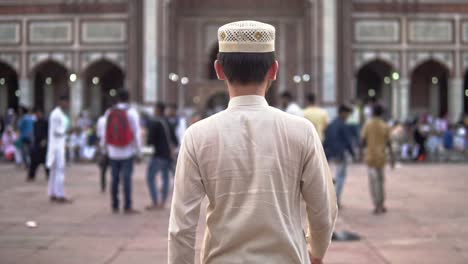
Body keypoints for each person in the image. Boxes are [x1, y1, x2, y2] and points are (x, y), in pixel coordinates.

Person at [168, 21, 337, 264]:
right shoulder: (302, 131)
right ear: (274, 70)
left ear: (219, 70)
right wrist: (316, 252)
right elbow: (323, 211)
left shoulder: (198, 135)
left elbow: (181, 227)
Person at [101, 89, 142, 214]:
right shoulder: (132, 113)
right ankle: (127, 206)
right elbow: (136, 133)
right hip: (127, 151)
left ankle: (114, 205)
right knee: (127, 179)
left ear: (118, 98)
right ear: (128, 98)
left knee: (114, 179)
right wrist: (139, 151)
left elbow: (105, 132)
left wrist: (104, 148)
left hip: (113, 151)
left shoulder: (109, 112)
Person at [361, 104, 394, 214]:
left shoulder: (367, 125)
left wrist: (361, 153)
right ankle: (381, 204)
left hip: (370, 157)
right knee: (380, 181)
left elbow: (363, 141)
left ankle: (376, 204)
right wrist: (392, 158)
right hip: (381, 157)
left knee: (373, 182)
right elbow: (389, 143)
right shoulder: (385, 125)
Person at [323, 104, 355, 208]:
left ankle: (329, 199)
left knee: (330, 178)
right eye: (347, 113)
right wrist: (352, 153)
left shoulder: (331, 124)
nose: (348, 115)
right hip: (340, 154)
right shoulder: (343, 125)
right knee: (340, 177)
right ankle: (335, 200)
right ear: (342, 112)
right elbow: (347, 141)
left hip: (330, 154)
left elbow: (326, 140)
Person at [145, 102, 175, 210]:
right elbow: (174, 139)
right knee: (165, 177)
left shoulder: (155, 122)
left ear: (157, 110)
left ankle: (155, 202)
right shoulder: (168, 122)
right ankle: (162, 202)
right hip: (168, 155)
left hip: (158, 154)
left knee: (150, 177)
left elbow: (150, 141)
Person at [46, 95, 71, 203]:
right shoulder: (56, 114)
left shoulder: (60, 114)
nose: (67, 104)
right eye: (66, 102)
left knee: (54, 171)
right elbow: (57, 131)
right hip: (56, 146)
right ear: (62, 102)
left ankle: (52, 193)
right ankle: (59, 194)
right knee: (59, 170)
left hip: (58, 145)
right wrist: (66, 132)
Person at [28, 108, 49, 181]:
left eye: (39, 113)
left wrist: (45, 140)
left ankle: (49, 176)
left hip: (44, 144)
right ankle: (31, 175)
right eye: (36, 113)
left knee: (46, 161)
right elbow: (34, 134)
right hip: (37, 144)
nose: (37, 115)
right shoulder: (35, 123)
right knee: (34, 160)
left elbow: (48, 133)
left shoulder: (46, 122)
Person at [97, 113, 109, 192]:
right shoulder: (113, 118)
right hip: (113, 147)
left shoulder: (101, 120)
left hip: (103, 146)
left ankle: (103, 186)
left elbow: (98, 134)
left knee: (103, 169)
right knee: (116, 168)